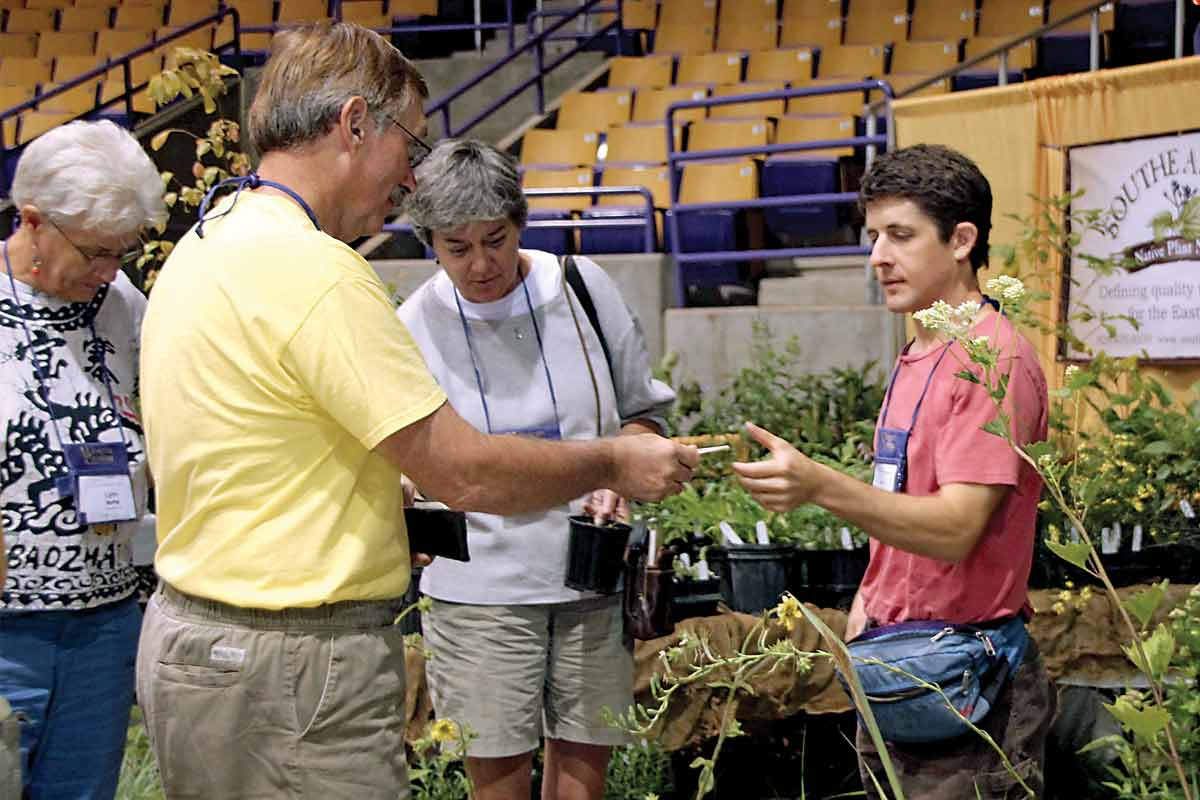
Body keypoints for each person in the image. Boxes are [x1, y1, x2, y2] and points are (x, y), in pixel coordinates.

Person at [136, 22, 697, 800]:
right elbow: (463, 472)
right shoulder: (317, 272)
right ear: (355, 123)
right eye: (411, 141)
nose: (410, 175)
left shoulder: (208, 240)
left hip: (202, 640)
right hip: (294, 660)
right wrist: (611, 460)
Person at [732, 144, 1054, 799]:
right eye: (872, 235)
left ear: (962, 240)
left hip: (970, 685)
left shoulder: (992, 361)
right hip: (901, 665)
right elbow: (900, 494)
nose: (878, 256)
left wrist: (820, 485)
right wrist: (873, 596)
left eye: (901, 236)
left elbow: (958, 527)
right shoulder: (919, 350)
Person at [398, 138, 671, 800]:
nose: (482, 263)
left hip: (590, 578)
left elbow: (644, 414)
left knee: (583, 775)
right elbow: (405, 458)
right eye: (457, 247)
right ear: (429, 243)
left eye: (495, 238)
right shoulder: (411, 325)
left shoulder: (580, 288)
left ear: (520, 221)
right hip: (479, 590)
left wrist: (615, 471)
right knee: (496, 776)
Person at [0, 120, 166, 799]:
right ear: (31, 220)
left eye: (121, 251)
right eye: (95, 252)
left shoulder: (124, 306)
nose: (108, 271)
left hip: (104, 622)